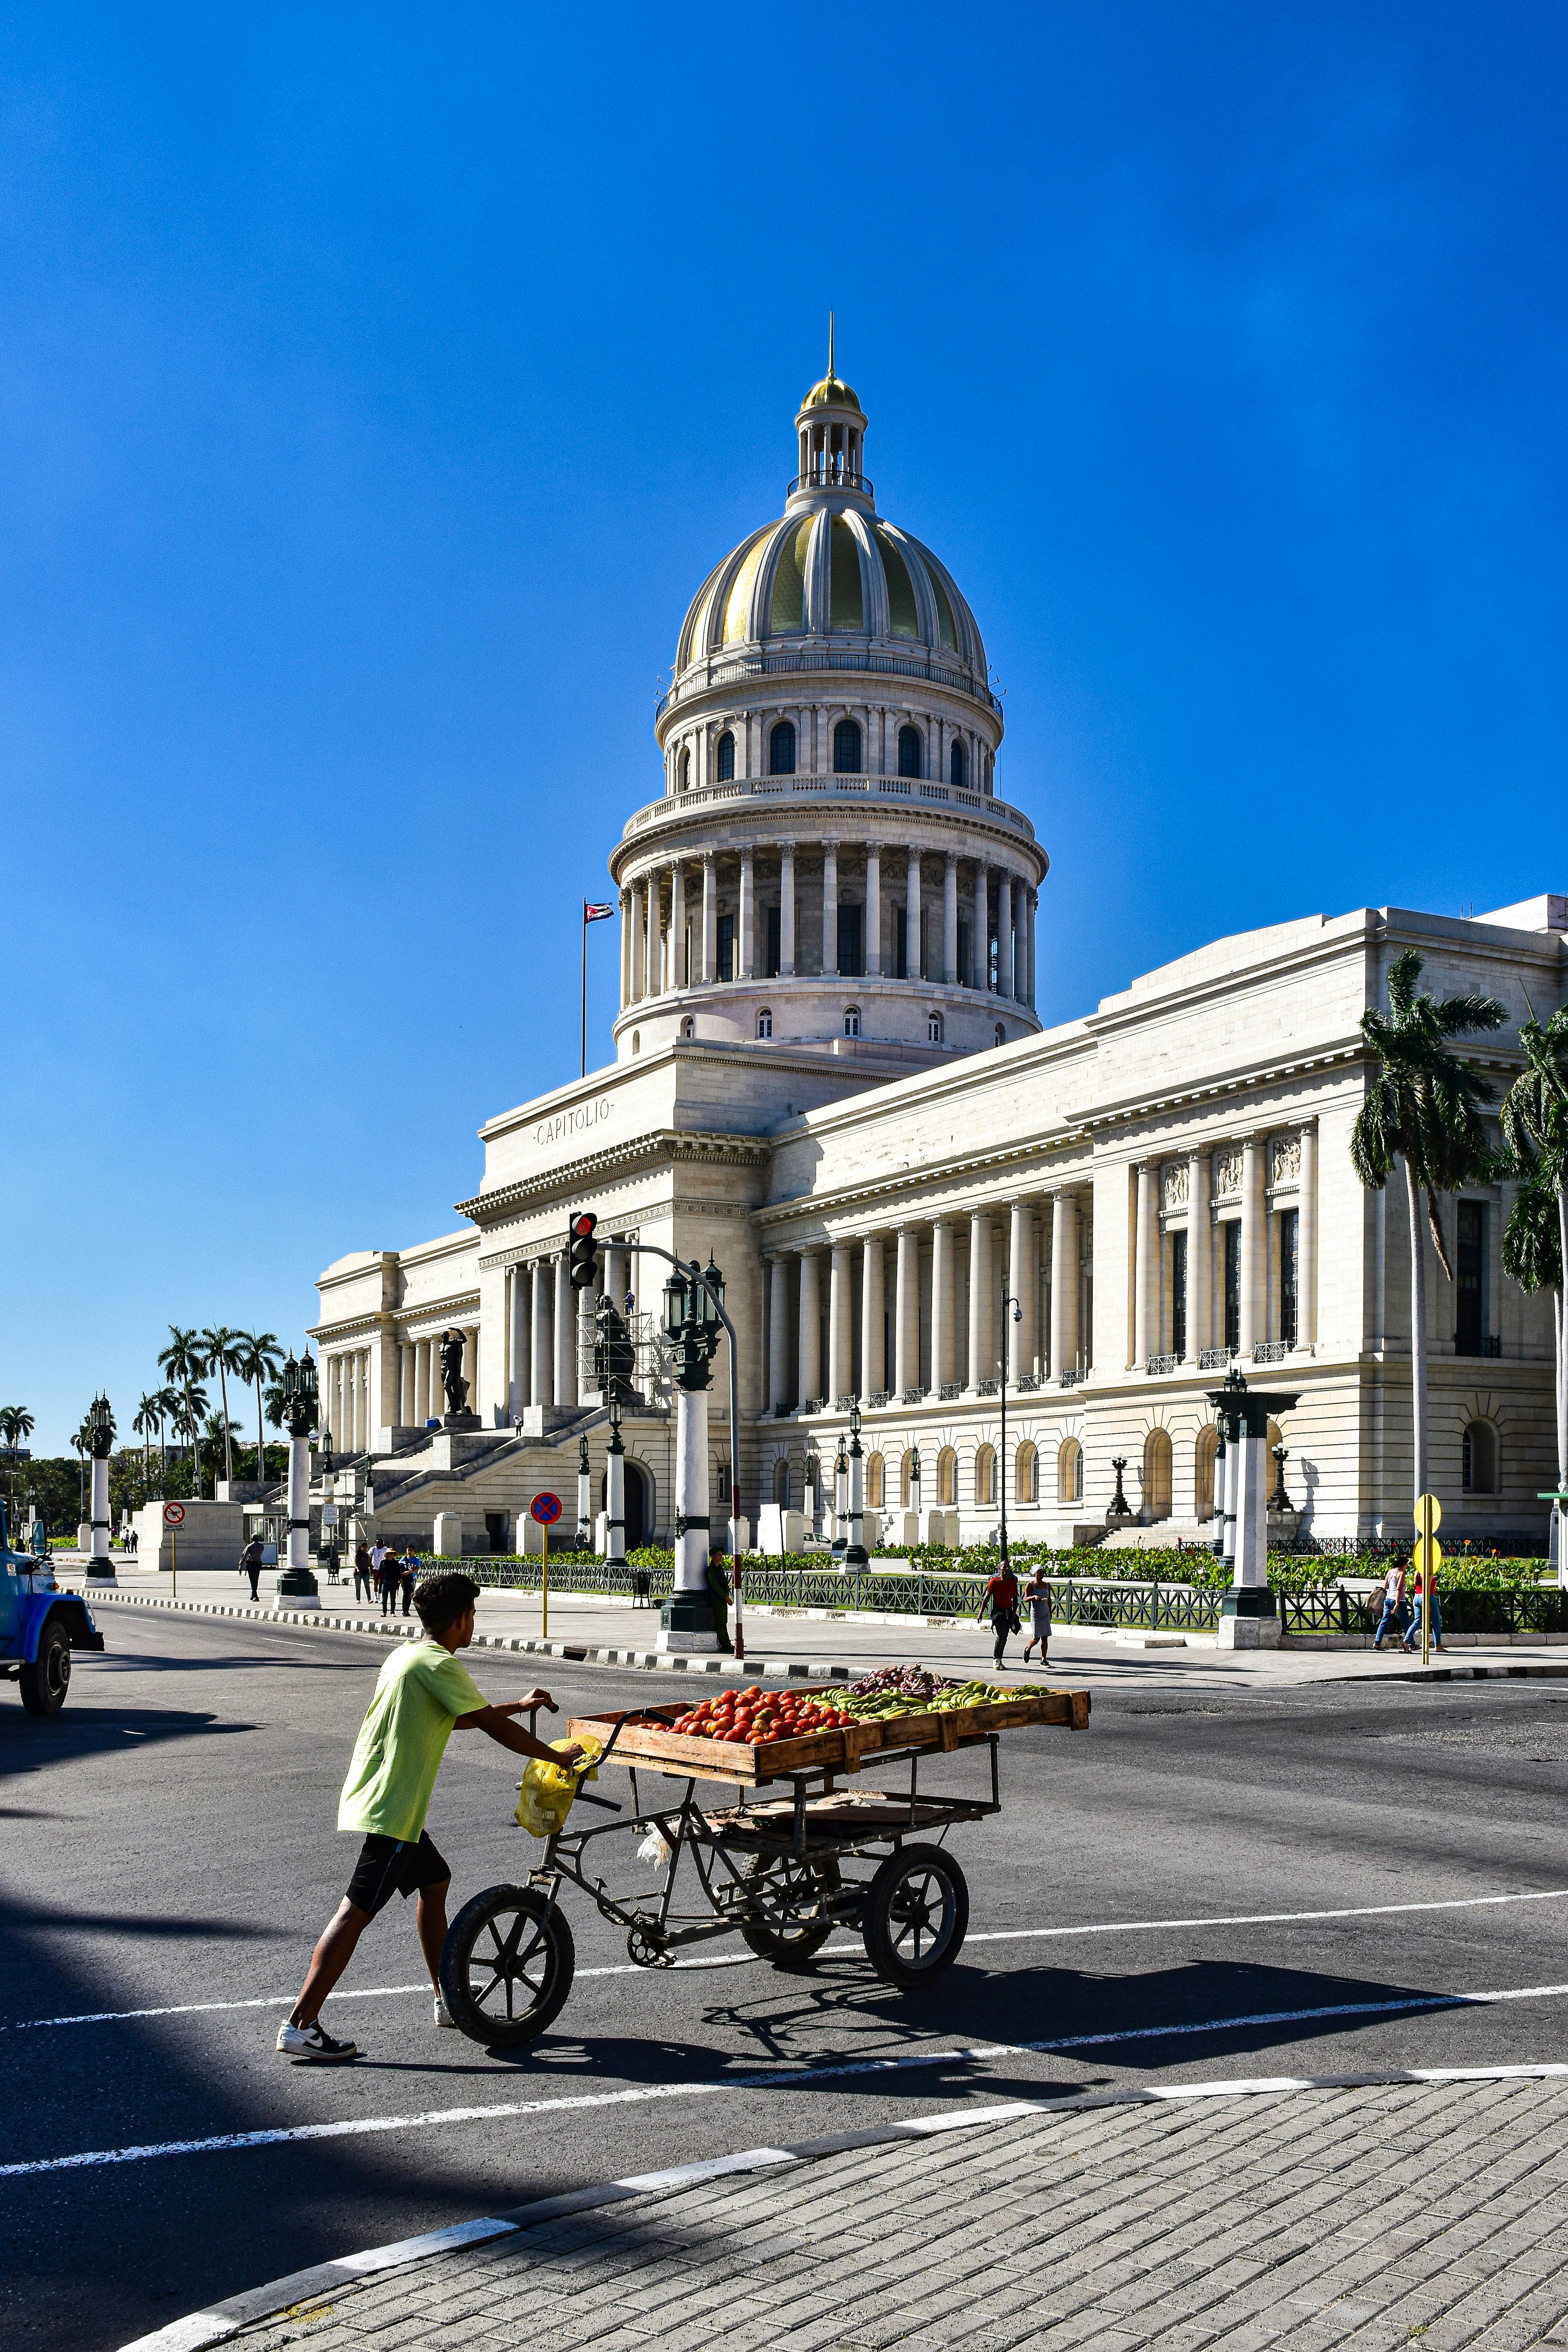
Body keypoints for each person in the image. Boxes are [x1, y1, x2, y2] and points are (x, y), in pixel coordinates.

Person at [276, 1569, 583, 2062]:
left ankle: (447, 1998)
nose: (474, 1624)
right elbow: (491, 1728)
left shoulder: (408, 1655)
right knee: (354, 1913)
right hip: (394, 1806)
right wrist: (557, 1756)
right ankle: (301, 2024)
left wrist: (517, 1704)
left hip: (382, 1795)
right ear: (460, 1620)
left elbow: (456, 1716)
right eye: (473, 1616)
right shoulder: (440, 1663)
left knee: (435, 1882)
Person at [977, 1558, 1020, 1668]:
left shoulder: (1012, 1582)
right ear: (1000, 1569)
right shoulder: (994, 1582)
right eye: (1004, 1567)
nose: (1007, 1569)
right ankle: (996, 1659)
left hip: (1008, 1611)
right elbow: (987, 1597)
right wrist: (980, 1613)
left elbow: (1016, 1599)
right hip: (998, 1611)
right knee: (1001, 1636)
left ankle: (999, 1659)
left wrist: (1014, 1614)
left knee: (1005, 1637)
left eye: (1008, 1567)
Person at [1403, 1568, 1443, 1652]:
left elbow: (1416, 1583)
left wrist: (1434, 1580)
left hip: (1417, 1597)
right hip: (1428, 1597)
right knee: (1436, 1621)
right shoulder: (1429, 1571)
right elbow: (1427, 1588)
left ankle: (1406, 1641)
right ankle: (1438, 1646)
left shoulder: (1417, 1571)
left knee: (1417, 1621)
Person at [1021, 1561, 1052, 1667]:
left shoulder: (1047, 1585)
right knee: (1036, 1638)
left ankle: (1044, 1660)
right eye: (1039, 1573)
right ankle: (1028, 1649)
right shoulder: (1031, 1585)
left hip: (1045, 1614)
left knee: (1045, 1637)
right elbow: (1025, 1599)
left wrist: (1050, 1612)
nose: (1041, 1575)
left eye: (1043, 1572)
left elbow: (1049, 1600)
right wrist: (1034, 1597)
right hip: (1036, 1615)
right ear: (1035, 1574)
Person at [1372, 1557, 1407, 1650]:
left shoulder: (1390, 1572)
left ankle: (1377, 1642)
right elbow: (1399, 1589)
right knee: (1406, 1623)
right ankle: (1411, 1644)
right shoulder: (1401, 1574)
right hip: (1399, 1601)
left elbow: (1385, 1586)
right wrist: (1397, 1604)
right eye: (1406, 1565)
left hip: (1388, 1599)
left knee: (1384, 1621)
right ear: (1403, 1565)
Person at [240, 1534, 265, 1602]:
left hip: (252, 1564)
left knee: (252, 1580)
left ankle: (255, 1595)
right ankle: (253, 1594)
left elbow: (244, 1557)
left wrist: (241, 1566)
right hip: (258, 1564)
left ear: (252, 1539)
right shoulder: (262, 1547)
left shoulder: (250, 1547)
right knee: (256, 1580)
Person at [399, 1544, 419, 1617]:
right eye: (409, 1550)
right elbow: (399, 1567)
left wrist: (409, 1572)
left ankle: (407, 1610)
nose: (410, 1552)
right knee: (406, 1594)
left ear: (414, 1551)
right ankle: (404, 1610)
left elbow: (417, 1569)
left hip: (413, 1579)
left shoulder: (417, 1559)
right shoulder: (404, 1559)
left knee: (410, 1595)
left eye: (411, 1550)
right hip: (405, 1579)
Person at [353, 1539, 372, 1604]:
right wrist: (358, 1569)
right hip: (358, 1573)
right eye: (364, 1547)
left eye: (366, 1548)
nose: (365, 1549)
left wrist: (372, 1568)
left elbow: (369, 1563)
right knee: (358, 1586)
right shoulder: (357, 1554)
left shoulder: (366, 1555)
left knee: (367, 1585)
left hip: (366, 1572)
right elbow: (356, 1563)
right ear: (361, 1547)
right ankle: (358, 1599)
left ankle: (369, 1599)